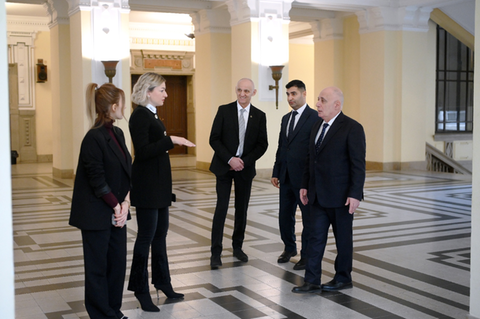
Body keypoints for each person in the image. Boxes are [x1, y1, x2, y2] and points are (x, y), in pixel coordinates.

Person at [127, 72, 195, 312]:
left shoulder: (151, 114)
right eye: (162, 90)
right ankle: (140, 289)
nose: (166, 94)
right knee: (146, 237)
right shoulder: (139, 116)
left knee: (160, 235)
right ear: (148, 91)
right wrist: (172, 139)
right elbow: (143, 152)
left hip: (159, 186)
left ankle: (163, 282)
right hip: (147, 186)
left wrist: (168, 139)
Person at [292, 86, 366, 294]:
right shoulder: (317, 126)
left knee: (343, 240)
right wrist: (305, 185)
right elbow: (310, 160)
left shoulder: (352, 128)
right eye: (317, 99)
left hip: (341, 197)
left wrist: (355, 194)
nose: (317, 104)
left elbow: (358, 165)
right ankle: (312, 280)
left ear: (336, 105)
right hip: (317, 195)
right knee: (315, 238)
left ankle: (343, 278)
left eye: (322, 100)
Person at [69, 83, 131, 319]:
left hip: (118, 212)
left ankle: (114, 310)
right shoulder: (93, 137)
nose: (123, 108)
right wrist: (116, 207)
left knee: (116, 266)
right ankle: (101, 314)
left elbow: (127, 171)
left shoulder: (118, 133)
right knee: (97, 268)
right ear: (114, 106)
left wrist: (125, 203)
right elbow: (97, 179)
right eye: (122, 104)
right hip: (96, 213)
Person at [209, 78, 268, 268]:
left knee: (241, 210)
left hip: (245, 169)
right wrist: (230, 159)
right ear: (236, 90)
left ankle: (237, 247)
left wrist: (244, 162)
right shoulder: (224, 110)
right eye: (240, 90)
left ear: (254, 93)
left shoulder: (259, 115)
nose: (243, 94)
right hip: (224, 167)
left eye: (247, 91)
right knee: (221, 208)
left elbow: (262, 144)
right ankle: (215, 252)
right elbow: (214, 139)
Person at [271, 80, 318, 270]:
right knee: (285, 215)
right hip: (286, 177)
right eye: (288, 94)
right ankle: (290, 248)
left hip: (304, 179)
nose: (290, 98)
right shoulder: (285, 118)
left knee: (308, 218)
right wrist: (276, 171)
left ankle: (306, 256)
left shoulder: (314, 117)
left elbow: (314, 151)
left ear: (304, 93)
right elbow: (282, 146)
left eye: (294, 94)